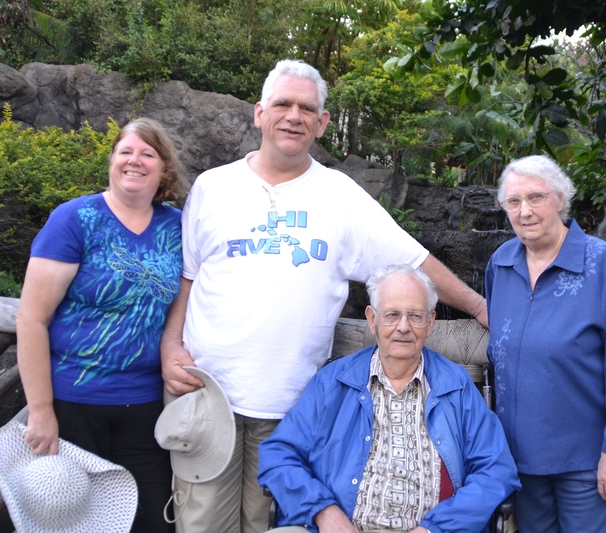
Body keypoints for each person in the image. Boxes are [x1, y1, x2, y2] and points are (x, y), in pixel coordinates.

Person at [160, 59, 491, 533]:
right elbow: (188, 279)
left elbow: (413, 262)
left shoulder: (341, 196)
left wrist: (479, 305)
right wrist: (171, 345)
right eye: (282, 104)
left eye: (306, 108)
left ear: (322, 122)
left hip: (292, 412)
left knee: (269, 525)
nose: (293, 115)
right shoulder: (213, 188)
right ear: (259, 113)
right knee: (201, 525)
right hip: (206, 394)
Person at [15, 117, 186, 533]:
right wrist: (40, 411)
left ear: (163, 169)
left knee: (152, 523)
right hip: (74, 403)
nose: (135, 161)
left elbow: (187, 295)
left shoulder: (177, 226)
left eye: (147, 154)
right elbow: (31, 318)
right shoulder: (75, 218)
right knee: (78, 523)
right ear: (111, 160)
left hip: (146, 406)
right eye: (125, 151)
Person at [258, 264, 519, 533]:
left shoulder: (456, 386)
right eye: (392, 315)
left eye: (415, 316)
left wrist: (435, 529)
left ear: (430, 322)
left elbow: (496, 469)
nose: (403, 327)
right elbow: (279, 454)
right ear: (372, 320)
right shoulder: (333, 382)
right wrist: (324, 512)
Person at [485, 154, 606, 532]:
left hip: (588, 463)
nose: (524, 211)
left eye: (536, 197)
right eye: (513, 201)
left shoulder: (601, 262)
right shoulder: (501, 263)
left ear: (560, 199)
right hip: (521, 461)